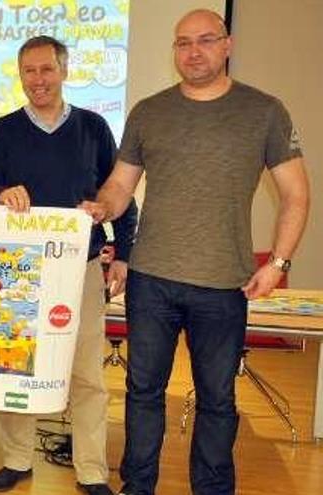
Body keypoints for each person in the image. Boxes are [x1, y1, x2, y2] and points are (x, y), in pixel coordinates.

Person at [80, 9, 310, 495]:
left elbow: (296, 194)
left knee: (217, 400)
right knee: (143, 393)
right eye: (183, 43)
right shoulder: (148, 111)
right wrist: (102, 206)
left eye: (206, 40)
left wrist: (278, 264)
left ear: (226, 45)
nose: (193, 51)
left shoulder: (264, 111)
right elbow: (122, 185)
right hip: (151, 280)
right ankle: (137, 486)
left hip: (224, 284)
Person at [0, 35, 137, 495]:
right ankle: (17, 458)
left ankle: (91, 470)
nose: (38, 80)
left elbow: (118, 192)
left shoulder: (93, 127)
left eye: (47, 70)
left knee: (86, 373)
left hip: (80, 269)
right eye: (29, 71)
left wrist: (123, 252)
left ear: (63, 71)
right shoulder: (3, 130)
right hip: (19, 270)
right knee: (17, 366)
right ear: (20, 76)